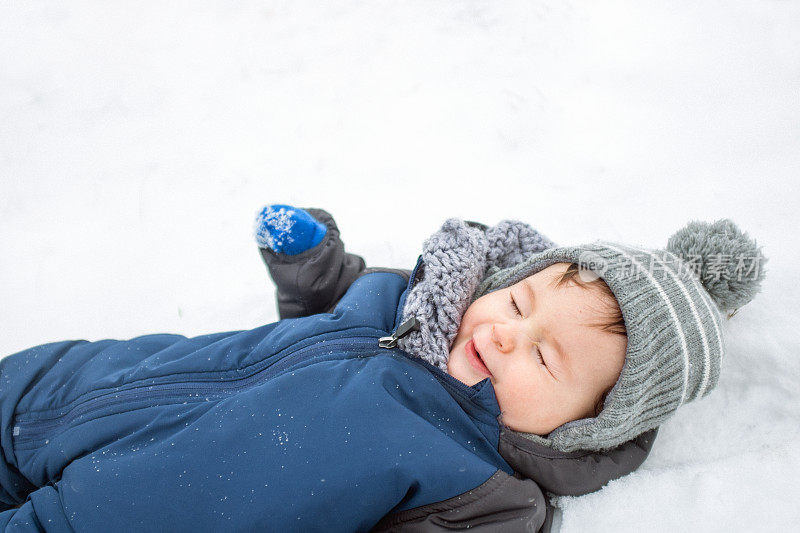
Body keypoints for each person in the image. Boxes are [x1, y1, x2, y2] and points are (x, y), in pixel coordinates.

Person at [0, 205, 766, 532]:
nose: (504, 332)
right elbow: (336, 317)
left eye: (542, 354)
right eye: (521, 300)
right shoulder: (416, 302)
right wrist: (314, 271)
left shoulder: (482, 493)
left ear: (585, 423)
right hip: (57, 391)